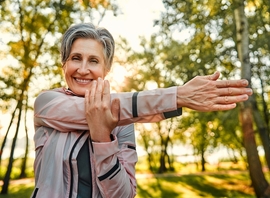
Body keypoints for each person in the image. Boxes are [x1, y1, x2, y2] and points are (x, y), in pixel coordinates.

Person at [31, 23, 253, 198]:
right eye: (75, 58)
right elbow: (102, 109)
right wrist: (178, 96)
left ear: (105, 70)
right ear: (64, 64)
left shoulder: (124, 123)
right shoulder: (47, 103)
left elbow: (123, 195)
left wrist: (102, 139)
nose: (83, 69)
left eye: (94, 61)